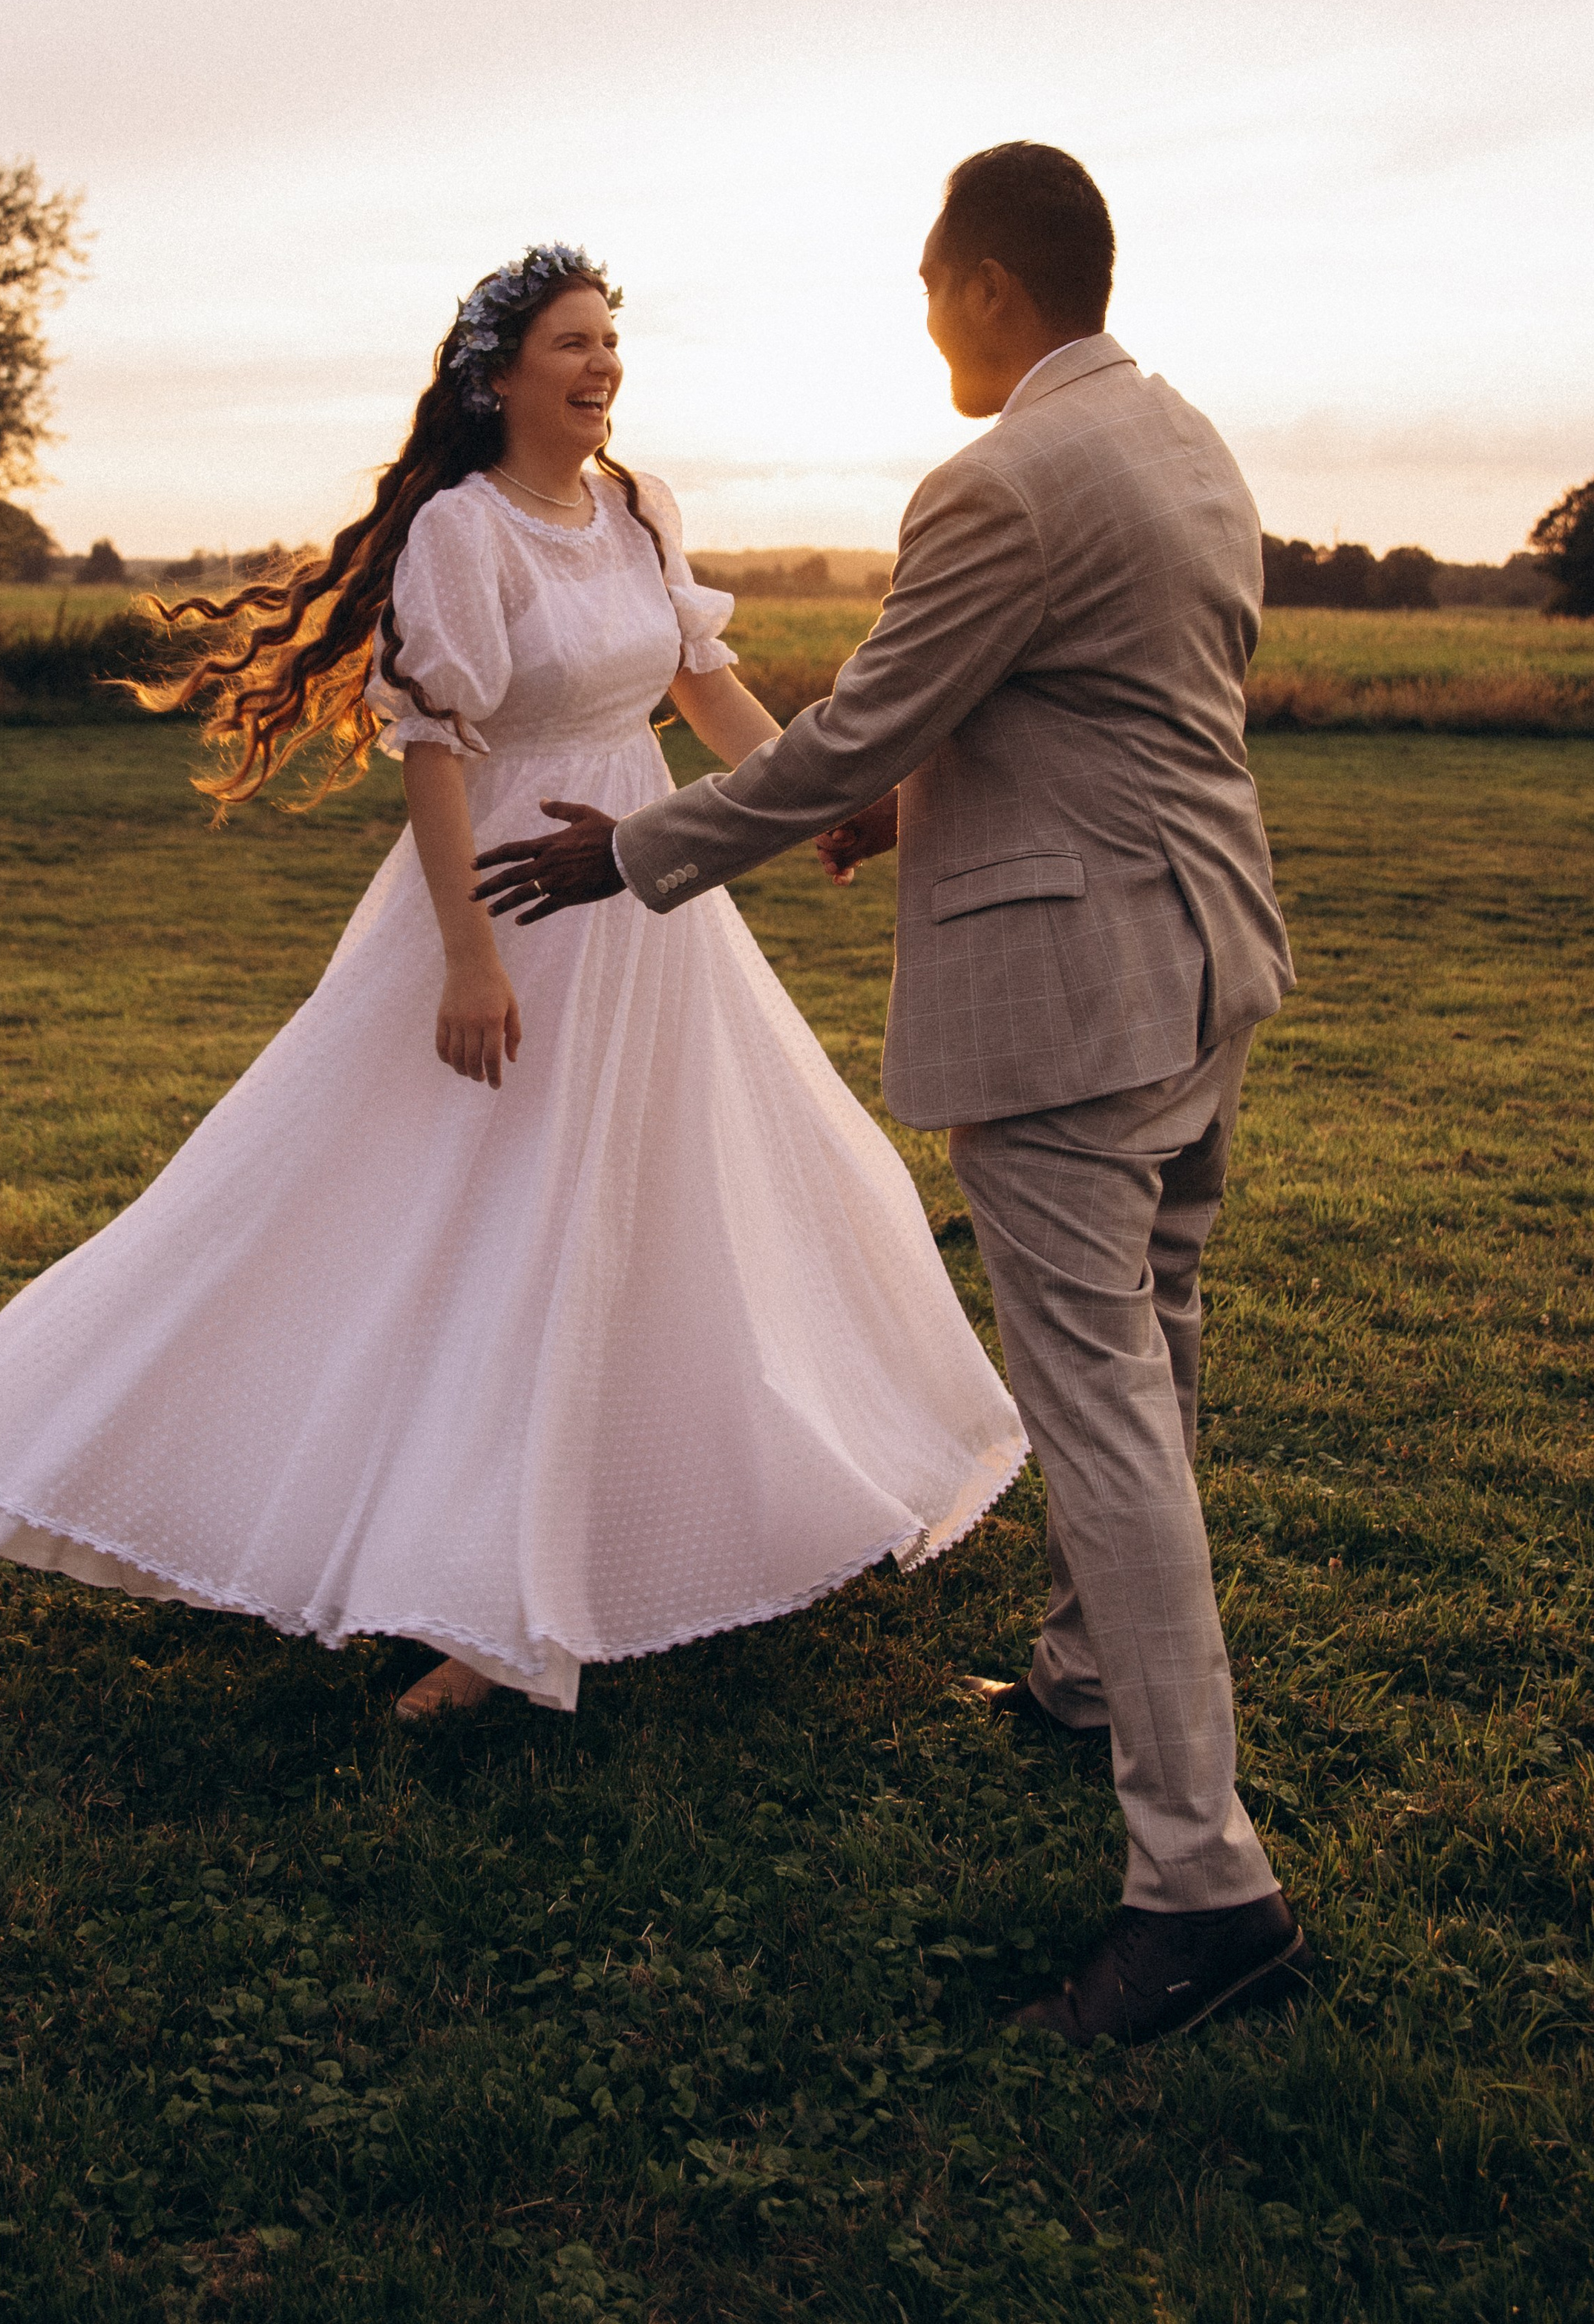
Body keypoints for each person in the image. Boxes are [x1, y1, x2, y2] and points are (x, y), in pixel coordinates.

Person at [0, 243, 1026, 1723]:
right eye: (569, 346)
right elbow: (435, 755)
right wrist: (468, 959)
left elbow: (703, 687)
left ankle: (618, 1532)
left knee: (662, 1200)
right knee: (497, 1218)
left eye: (611, 340)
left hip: (644, 896)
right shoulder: (460, 536)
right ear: (495, 378)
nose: (601, 367)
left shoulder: (639, 510)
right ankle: (476, 1599)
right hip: (512, 900)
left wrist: (813, 807)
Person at [474, 153, 1317, 2043]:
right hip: (1205, 963)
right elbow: (1060, 712)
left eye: (933, 290)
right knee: (1154, 1348)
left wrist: (634, 856)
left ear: (990, 288)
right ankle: (1090, 1675)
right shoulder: (1180, 442)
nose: (925, 323)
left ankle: (1200, 1885)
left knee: (1094, 1406)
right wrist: (880, 797)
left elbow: (869, 723)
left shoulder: (998, 479)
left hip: (1074, 997)